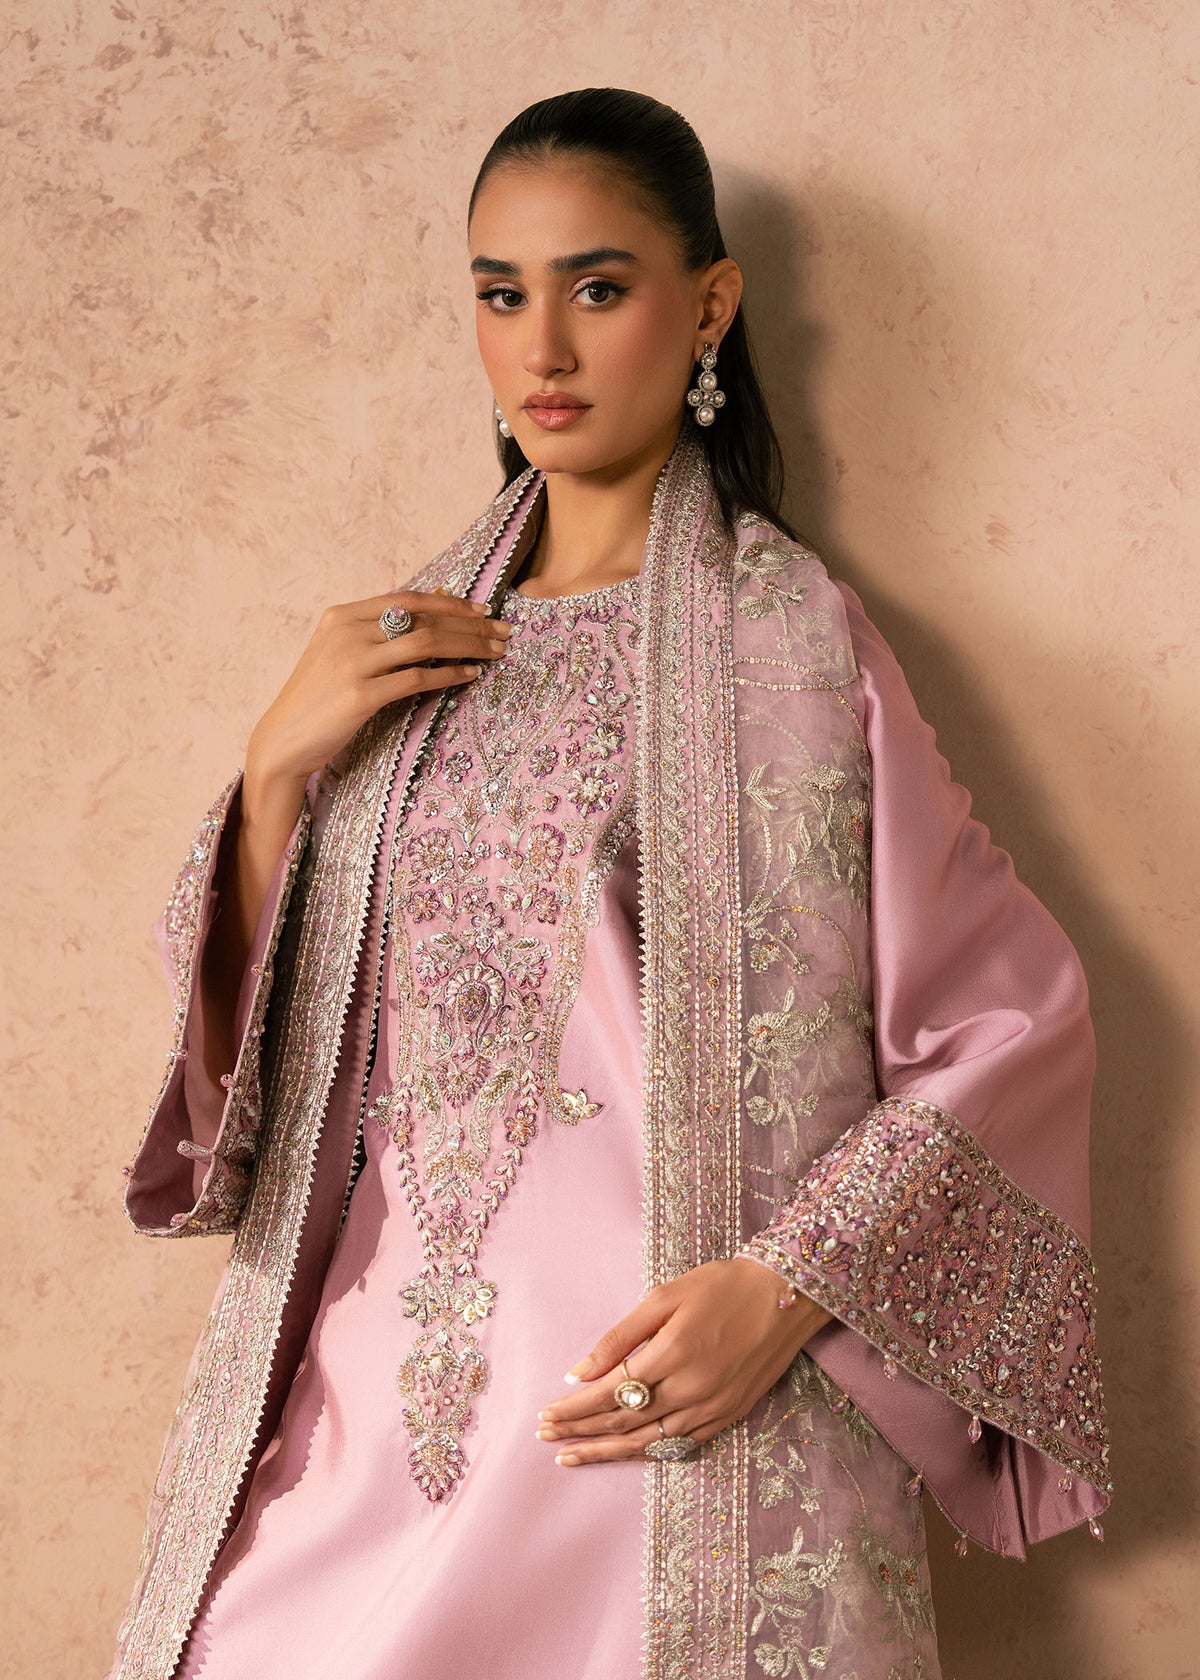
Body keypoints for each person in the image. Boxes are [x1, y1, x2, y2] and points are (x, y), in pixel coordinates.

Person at [107, 88, 1110, 1680]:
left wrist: (783, 1292)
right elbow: (272, 1089)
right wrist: (276, 774)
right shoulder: (396, 659)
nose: (545, 349)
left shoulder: (792, 644)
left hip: (671, 1423)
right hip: (383, 1420)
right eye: (501, 295)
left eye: (596, 286)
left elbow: (1010, 1024)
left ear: (708, 305)